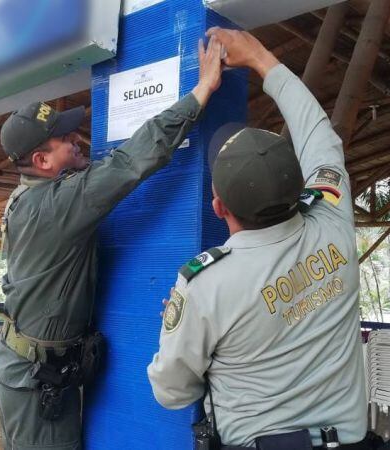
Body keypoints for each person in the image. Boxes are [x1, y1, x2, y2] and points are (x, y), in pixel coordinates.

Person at [0, 37, 225, 449]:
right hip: (33, 379)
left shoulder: (27, 198)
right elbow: (132, 160)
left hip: (28, 367)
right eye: (65, 139)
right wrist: (201, 90)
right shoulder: (58, 203)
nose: (77, 137)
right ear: (42, 162)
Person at [147, 28, 368, 450]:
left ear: (219, 208)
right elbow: (320, 136)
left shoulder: (203, 285)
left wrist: (193, 331)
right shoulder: (332, 221)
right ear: (297, 187)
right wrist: (261, 57)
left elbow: (171, 392)